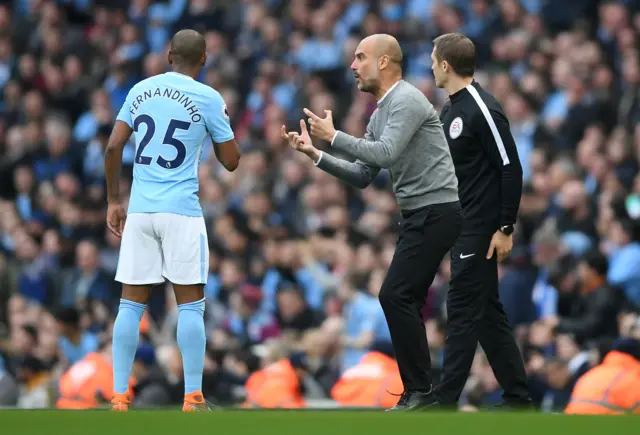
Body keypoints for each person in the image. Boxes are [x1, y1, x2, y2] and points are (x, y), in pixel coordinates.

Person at [283, 33, 461, 411]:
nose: (352, 65)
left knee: (394, 294)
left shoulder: (407, 99)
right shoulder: (381, 112)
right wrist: (316, 153)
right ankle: (423, 391)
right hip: (420, 213)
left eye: (360, 56)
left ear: (383, 62)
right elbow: (364, 172)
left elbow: (386, 152)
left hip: (436, 209)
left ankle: (421, 391)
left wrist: (333, 136)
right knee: (403, 296)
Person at [104, 29, 241, 412]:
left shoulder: (140, 90)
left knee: (130, 306)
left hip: (142, 210)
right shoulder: (208, 97)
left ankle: (118, 397)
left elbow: (114, 146)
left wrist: (114, 200)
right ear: (204, 60)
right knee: (190, 307)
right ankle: (193, 397)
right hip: (182, 211)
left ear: (168, 56)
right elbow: (231, 161)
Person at [430, 33, 531, 408]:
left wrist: (506, 227)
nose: (430, 65)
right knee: (487, 316)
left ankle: (444, 401)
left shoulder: (480, 107)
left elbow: (510, 167)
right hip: (463, 225)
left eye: (432, 59)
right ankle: (519, 400)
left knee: (459, 308)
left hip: (482, 227)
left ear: (445, 65)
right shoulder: (450, 110)